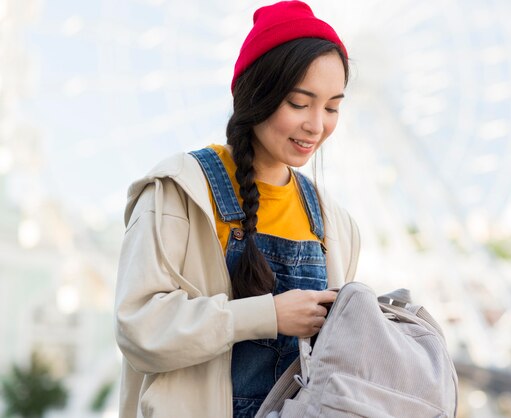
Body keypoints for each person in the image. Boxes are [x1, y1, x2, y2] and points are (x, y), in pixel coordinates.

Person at [113, 1, 360, 417]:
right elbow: (140, 329)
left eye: (332, 107)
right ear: (256, 95)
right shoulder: (181, 190)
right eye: (300, 103)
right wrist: (267, 315)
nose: (317, 125)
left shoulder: (335, 223)